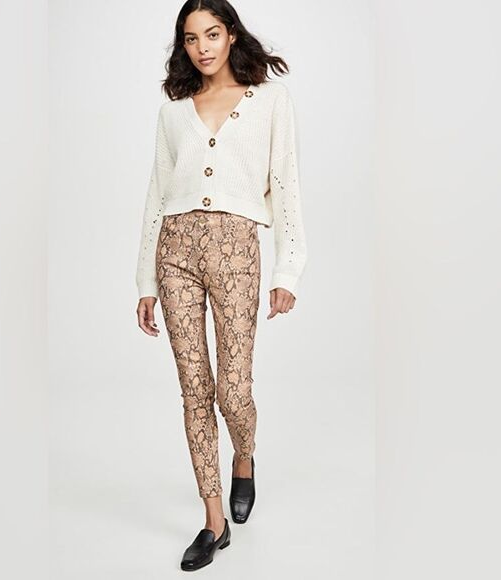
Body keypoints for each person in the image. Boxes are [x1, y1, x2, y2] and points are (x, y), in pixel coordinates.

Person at [135, 0, 307, 571]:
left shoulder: (269, 101)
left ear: (231, 35)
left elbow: (285, 184)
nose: (202, 47)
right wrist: (145, 278)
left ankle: (244, 458)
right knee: (194, 388)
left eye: (211, 34)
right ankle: (213, 521)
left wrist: (287, 269)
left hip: (236, 249)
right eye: (191, 38)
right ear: (182, 45)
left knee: (233, 389)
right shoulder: (172, 113)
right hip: (175, 252)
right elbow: (157, 196)